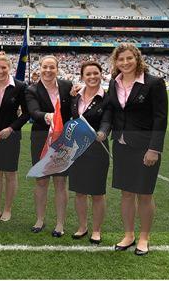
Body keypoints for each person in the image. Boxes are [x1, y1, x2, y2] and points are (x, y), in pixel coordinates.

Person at [108, 43, 168, 256]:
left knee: (144, 194)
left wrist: (154, 149)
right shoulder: (113, 82)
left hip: (145, 148)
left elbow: (161, 118)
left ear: (137, 59)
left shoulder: (154, 83)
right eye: (121, 59)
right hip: (121, 145)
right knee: (126, 194)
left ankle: (144, 237)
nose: (125, 63)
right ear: (116, 62)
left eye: (129, 58)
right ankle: (128, 234)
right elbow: (110, 110)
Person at [26, 55, 72, 237]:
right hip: (40, 139)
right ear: (40, 68)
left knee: (60, 182)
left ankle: (60, 223)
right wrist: (49, 117)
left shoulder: (68, 87)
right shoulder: (32, 90)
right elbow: (33, 111)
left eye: (52, 67)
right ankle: (40, 219)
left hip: (64, 140)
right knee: (41, 181)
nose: (48, 70)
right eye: (45, 67)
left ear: (57, 69)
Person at [0, 52, 30, 222]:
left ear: (9, 68)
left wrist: (11, 128)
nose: (0, 71)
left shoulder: (20, 86)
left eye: (4, 67)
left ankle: (7, 209)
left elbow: (26, 113)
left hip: (11, 136)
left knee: (10, 174)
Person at [68, 61, 111, 244]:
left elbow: (108, 120)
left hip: (97, 148)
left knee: (97, 193)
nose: (92, 77)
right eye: (88, 74)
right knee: (79, 192)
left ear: (101, 74)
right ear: (82, 76)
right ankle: (82, 226)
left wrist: (103, 132)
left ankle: (96, 230)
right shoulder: (76, 96)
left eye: (96, 73)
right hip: (77, 147)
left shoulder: (108, 97)